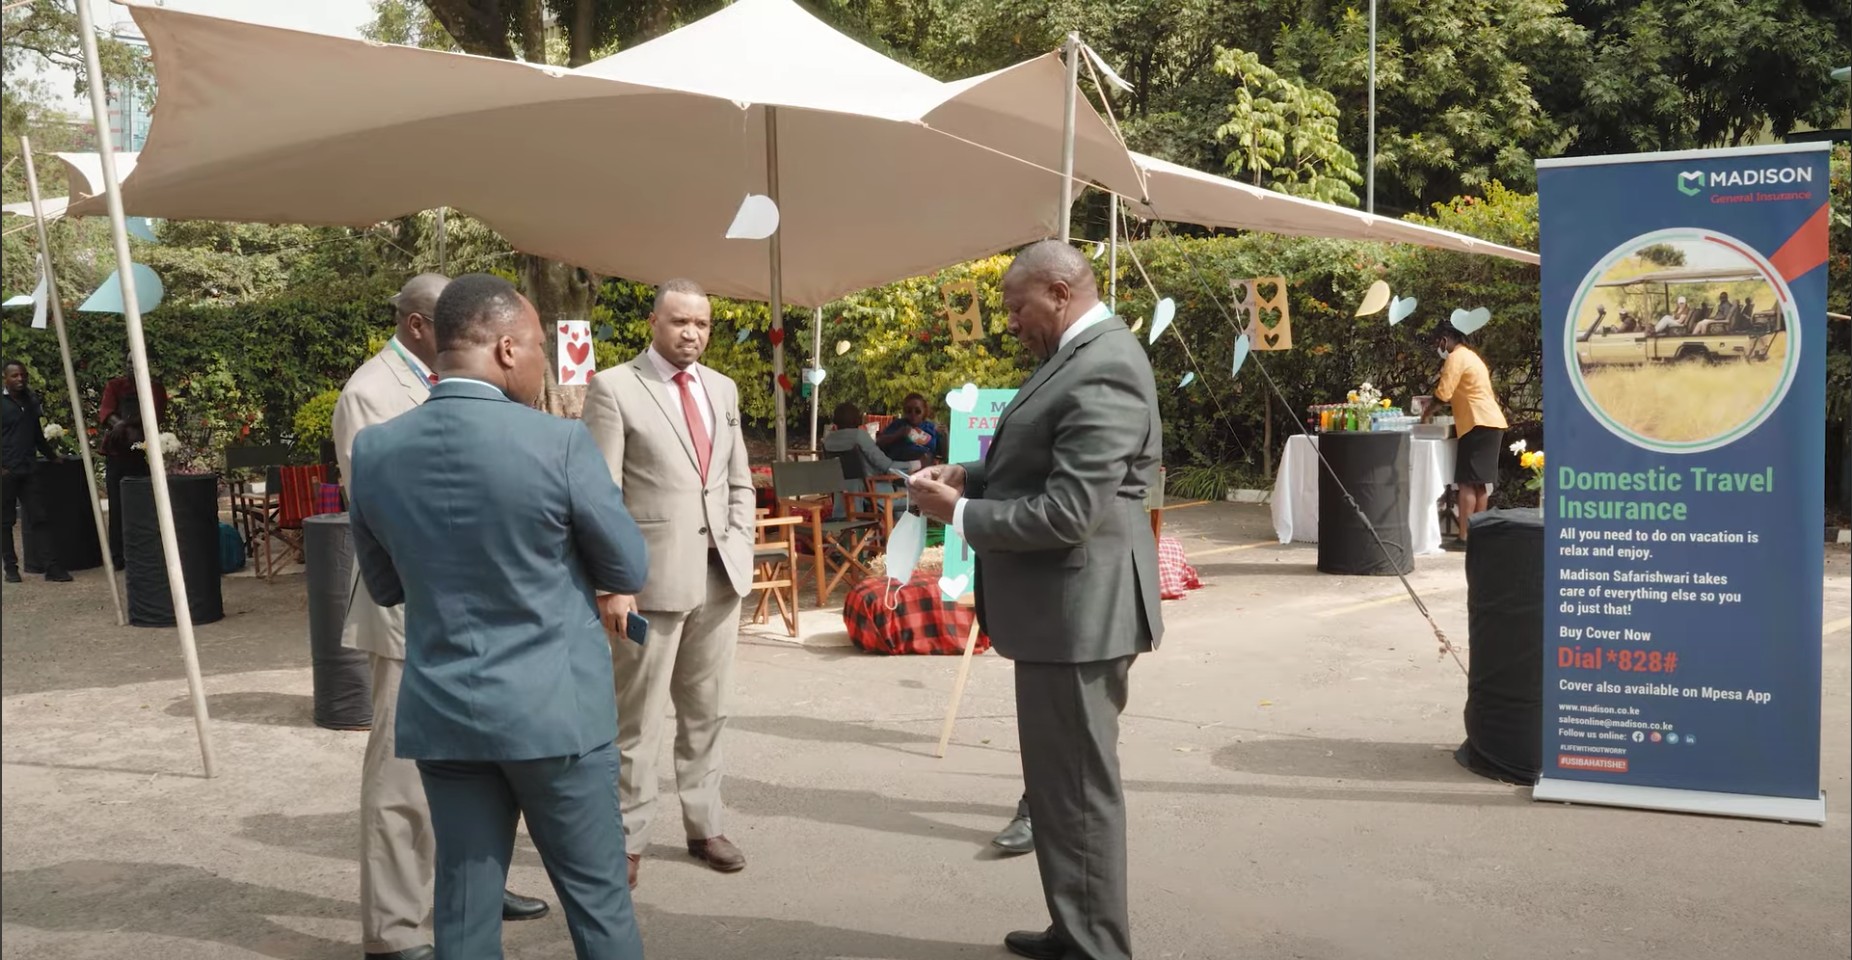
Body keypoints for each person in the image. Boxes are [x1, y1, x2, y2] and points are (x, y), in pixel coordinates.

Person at [347, 274, 648, 960]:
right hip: (555, 718)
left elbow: (387, 587)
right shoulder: (560, 444)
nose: (544, 359)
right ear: (507, 349)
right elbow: (628, 569)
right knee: (598, 905)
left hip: (447, 715)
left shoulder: (376, 451)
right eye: (540, 345)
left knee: (463, 907)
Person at [910, 240, 1163, 960]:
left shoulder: (1107, 364)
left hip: (1081, 617)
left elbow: (1065, 514)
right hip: (1063, 615)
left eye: (1018, 308)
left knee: (1078, 793)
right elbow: (1043, 454)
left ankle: (1095, 947)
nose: (1012, 323)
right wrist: (971, 472)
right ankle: (1074, 927)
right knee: (1058, 791)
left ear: (1058, 291)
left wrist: (956, 513)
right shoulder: (1078, 357)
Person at [333, 274, 550, 960]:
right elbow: (384, 515)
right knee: (401, 784)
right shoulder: (370, 394)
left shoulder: (470, 384)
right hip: (410, 619)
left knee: (480, 770)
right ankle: (394, 932)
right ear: (421, 325)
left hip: (481, 615)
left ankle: (477, 890)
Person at [581, 278, 756, 890]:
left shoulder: (723, 389)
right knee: (638, 719)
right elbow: (599, 498)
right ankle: (627, 836)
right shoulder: (615, 388)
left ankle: (704, 825)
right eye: (680, 322)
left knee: (709, 711)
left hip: (719, 578)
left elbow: (739, 480)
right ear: (653, 322)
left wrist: (740, 543)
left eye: (702, 324)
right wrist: (613, 583)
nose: (692, 334)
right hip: (647, 584)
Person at [1422, 323, 1508, 549]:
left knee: (1467, 483)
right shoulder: (1472, 357)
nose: (1439, 347)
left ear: (1447, 338)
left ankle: (1464, 538)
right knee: (1480, 485)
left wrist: (1425, 414)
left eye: (1439, 341)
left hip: (1476, 423)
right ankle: (1477, 536)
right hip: (1491, 423)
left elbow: (1443, 393)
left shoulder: (1456, 357)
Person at [98, 352, 168, 570]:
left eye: (136, 362)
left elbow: (153, 415)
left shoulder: (155, 389)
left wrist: (124, 426)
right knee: (117, 507)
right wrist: (119, 425)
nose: (132, 366)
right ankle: (117, 556)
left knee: (144, 504)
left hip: (141, 452)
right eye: (129, 362)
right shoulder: (114, 385)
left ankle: (145, 551)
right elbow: (106, 412)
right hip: (117, 454)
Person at [2, 361, 70, 584]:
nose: (20, 379)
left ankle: (52, 567)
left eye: (22, 375)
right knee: (5, 522)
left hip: (29, 469)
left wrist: (52, 457)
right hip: (6, 472)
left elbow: (37, 435)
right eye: (14, 376)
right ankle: (11, 568)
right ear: (5, 378)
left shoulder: (31, 402)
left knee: (40, 518)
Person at [875, 392, 944, 467]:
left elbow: (942, 454)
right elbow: (879, 442)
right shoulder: (898, 424)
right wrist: (897, 435)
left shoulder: (931, 428)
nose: (913, 414)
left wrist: (945, 435)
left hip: (925, 468)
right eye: (909, 411)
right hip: (899, 466)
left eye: (917, 411)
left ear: (924, 412)